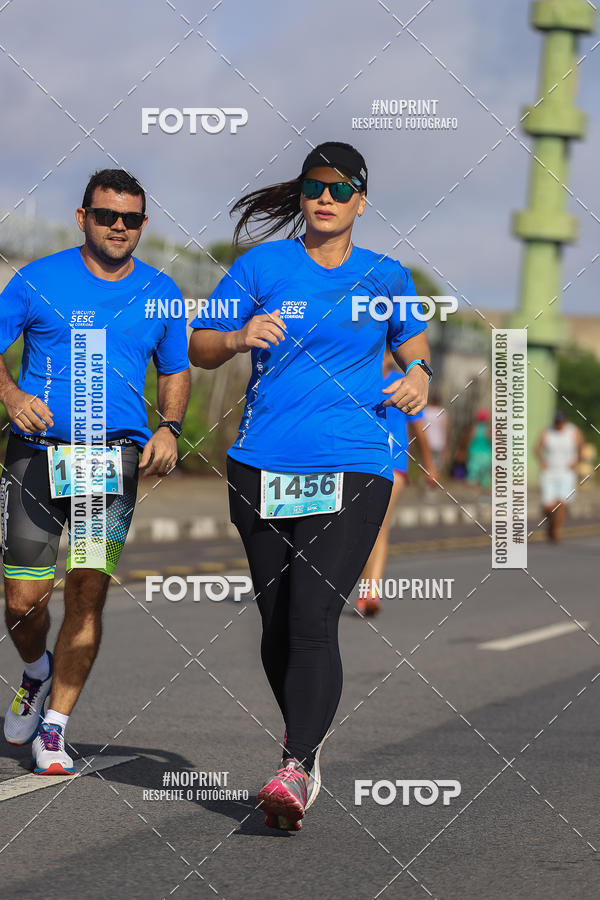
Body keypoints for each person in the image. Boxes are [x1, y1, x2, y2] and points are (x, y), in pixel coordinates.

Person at [188, 141, 432, 830]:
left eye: (340, 189)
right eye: (314, 186)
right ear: (301, 194)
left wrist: (419, 378)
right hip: (263, 461)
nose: (325, 198)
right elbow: (200, 345)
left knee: (312, 618)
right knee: (275, 626)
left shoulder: (388, 275)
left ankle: (293, 766)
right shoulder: (261, 266)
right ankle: (308, 744)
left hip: (353, 462)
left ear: (361, 199)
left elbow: (414, 348)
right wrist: (238, 339)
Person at [0, 169, 190, 774]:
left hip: (110, 459)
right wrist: (10, 396)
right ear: (83, 217)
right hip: (36, 451)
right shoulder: (37, 279)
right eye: (107, 215)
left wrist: (170, 427)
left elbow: (176, 368)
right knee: (22, 601)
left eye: (131, 219)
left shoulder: (163, 292)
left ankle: (54, 728)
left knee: (87, 590)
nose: (118, 227)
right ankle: (36, 671)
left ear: (142, 226)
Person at [357, 349, 437, 616]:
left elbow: (418, 429)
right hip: (357, 464)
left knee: (378, 527)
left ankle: (370, 593)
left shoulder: (403, 384)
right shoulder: (356, 379)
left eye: (385, 351)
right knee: (358, 529)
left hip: (393, 467)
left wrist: (429, 466)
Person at [535, 410, 583, 542]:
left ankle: (557, 531)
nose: (558, 425)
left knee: (562, 502)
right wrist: (542, 461)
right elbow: (537, 448)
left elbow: (580, 448)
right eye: (556, 422)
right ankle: (551, 523)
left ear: (565, 421)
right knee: (548, 506)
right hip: (549, 473)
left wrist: (576, 460)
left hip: (566, 473)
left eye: (560, 422)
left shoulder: (573, 432)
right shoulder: (547, 432)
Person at [422, 389, 448, 476]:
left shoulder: (426, 411)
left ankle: (426, 480)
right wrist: (446, 445)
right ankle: (434, 482)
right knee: (437, 465)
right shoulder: (442, 412)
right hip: (438, 442)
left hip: (427, 441)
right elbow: (444, 429)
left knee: (427, 463)